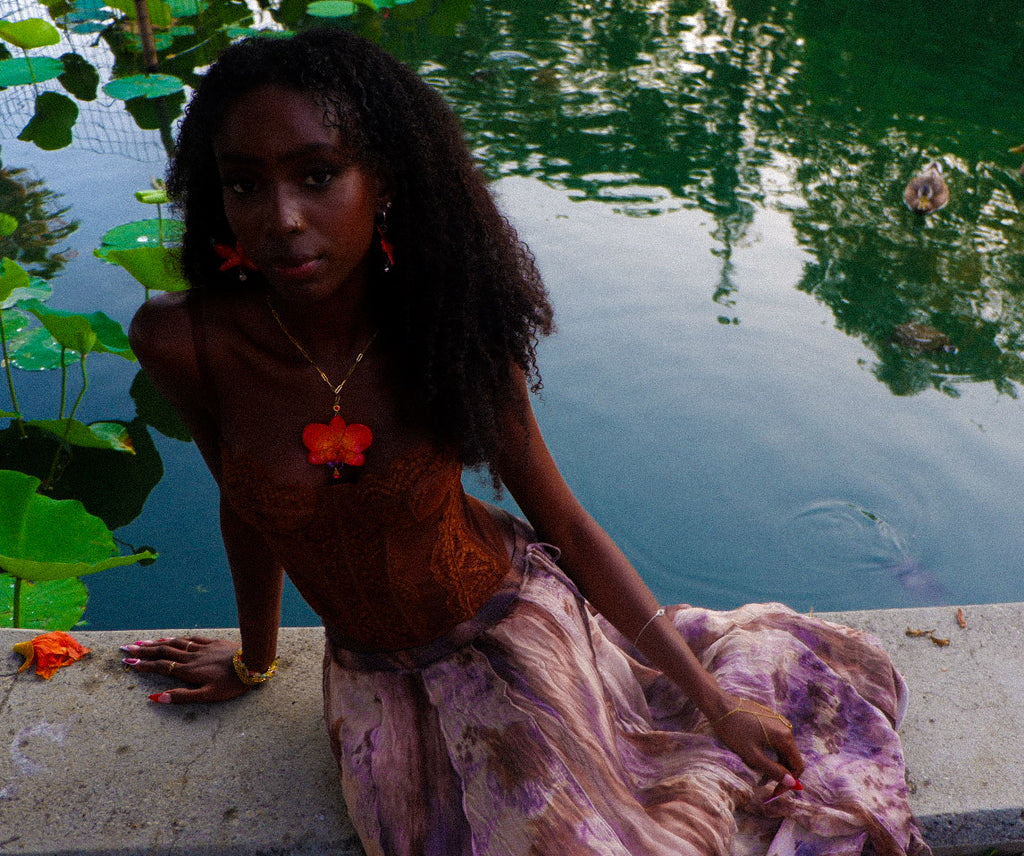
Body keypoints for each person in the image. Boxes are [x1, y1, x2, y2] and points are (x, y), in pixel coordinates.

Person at [123, 27, 930, 856]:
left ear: (385, 180)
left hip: (509, 631)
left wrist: (716, 704)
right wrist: (257, 661)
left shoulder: (447, 326)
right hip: (375, 688)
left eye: (319, 175)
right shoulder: (187, 343)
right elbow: (247, 504)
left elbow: (566, 523)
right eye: (245, 184)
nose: (282, 219)